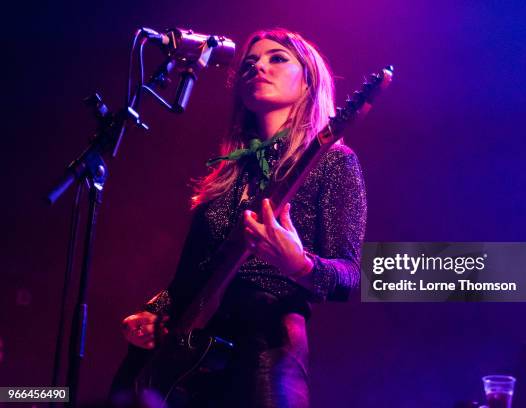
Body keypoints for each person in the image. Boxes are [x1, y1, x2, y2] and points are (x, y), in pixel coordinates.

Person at [117, 28, 367, 408]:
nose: (258, 66)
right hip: (188, 355)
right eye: (249, 63)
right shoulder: (226, 174)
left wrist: (298, 264)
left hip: (266, 345)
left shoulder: (333, 160)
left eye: (277, 58)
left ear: (308, 82)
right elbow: (187, 278)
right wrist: (153, 314)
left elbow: (349, 275)